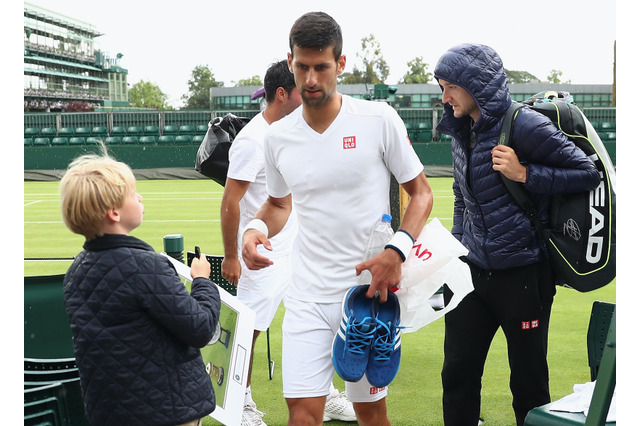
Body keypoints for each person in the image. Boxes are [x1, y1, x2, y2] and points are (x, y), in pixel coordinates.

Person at [241, 12, 433, 426]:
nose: (310, 79)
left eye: (321, 67)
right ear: (290, 62)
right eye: (302, 66)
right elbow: (278, 204)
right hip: (306, 295)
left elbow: (422, 193)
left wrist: (396, 251)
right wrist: (255, 229)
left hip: (368, 295)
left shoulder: (377, 119)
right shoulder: (277, 137)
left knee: (370, 413)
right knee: (303, 413)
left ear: (340, 65)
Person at [433, 43, 601, 426]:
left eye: (450, 88)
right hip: (472, 273)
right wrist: (458, 252)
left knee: (527, 382)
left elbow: (587, 172)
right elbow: (462, 197)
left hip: (525, 273)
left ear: (474, 85)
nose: (445, 98)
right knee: (456, 373)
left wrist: (525, 173)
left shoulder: (524, 124)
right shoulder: (462, 128)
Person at [221, 59, 356, 425]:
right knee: (250, 328)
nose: (310, 91)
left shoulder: (295, 130)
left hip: (297, 250)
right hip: (260, 256)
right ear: (283, 93)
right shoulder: (252, 140)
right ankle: (241, 404)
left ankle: (324, 394)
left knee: (317, 317)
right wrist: (232, 256)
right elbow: (231, 201)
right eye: (300, 86)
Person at [60, 146, 221, 426]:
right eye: (133, 195)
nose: (140, 197)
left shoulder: (76, 271)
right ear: (114, 213)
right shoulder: (145, 266)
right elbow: (201, 328)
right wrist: (202, 281)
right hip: (167, 411)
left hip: (111, 412)